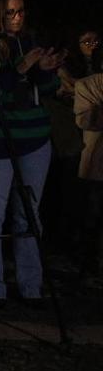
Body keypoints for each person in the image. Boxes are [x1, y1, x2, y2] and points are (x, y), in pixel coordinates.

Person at [0, 0, 65, 303]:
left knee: (29, 212)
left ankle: (30, 286)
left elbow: (47, 89)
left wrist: (47, 70)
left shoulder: (30, 41)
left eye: (21, 11)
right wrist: (21, 69)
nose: (17, 17)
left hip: (34, 137)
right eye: (11, 12)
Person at [75, 72, 103, 275]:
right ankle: (91, 260)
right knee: (94, 213)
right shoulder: (91, 84)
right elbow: (85, 120)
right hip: (98, 162)